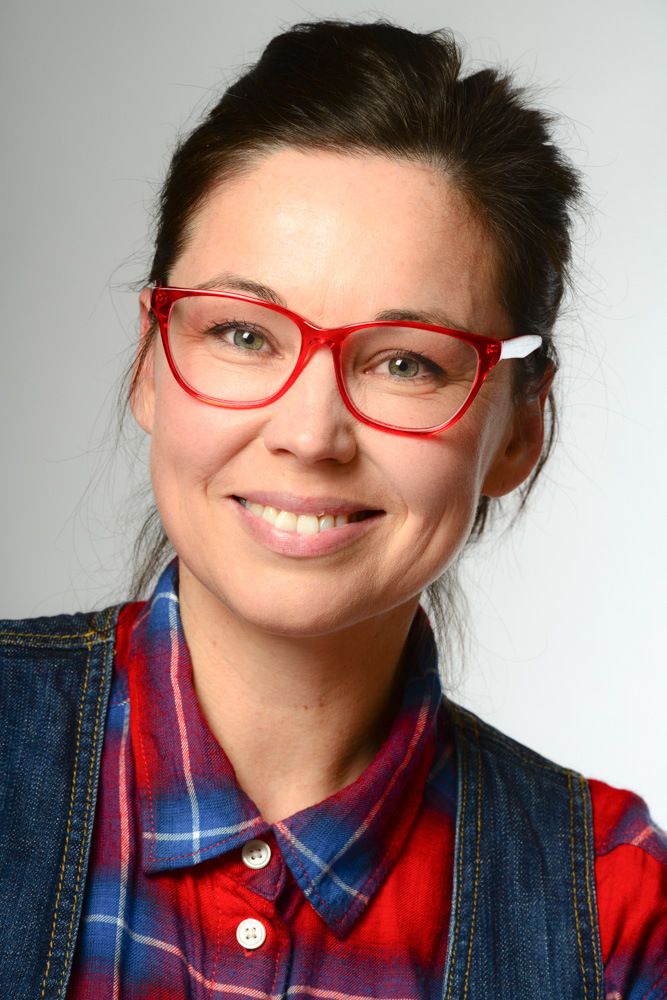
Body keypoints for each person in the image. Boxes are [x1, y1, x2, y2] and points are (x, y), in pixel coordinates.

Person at [1, 18, 664, 1000]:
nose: (310, 433)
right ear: (150, 363)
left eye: (406, 362)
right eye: (243, 334)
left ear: (519, 430)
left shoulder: (607, 909)